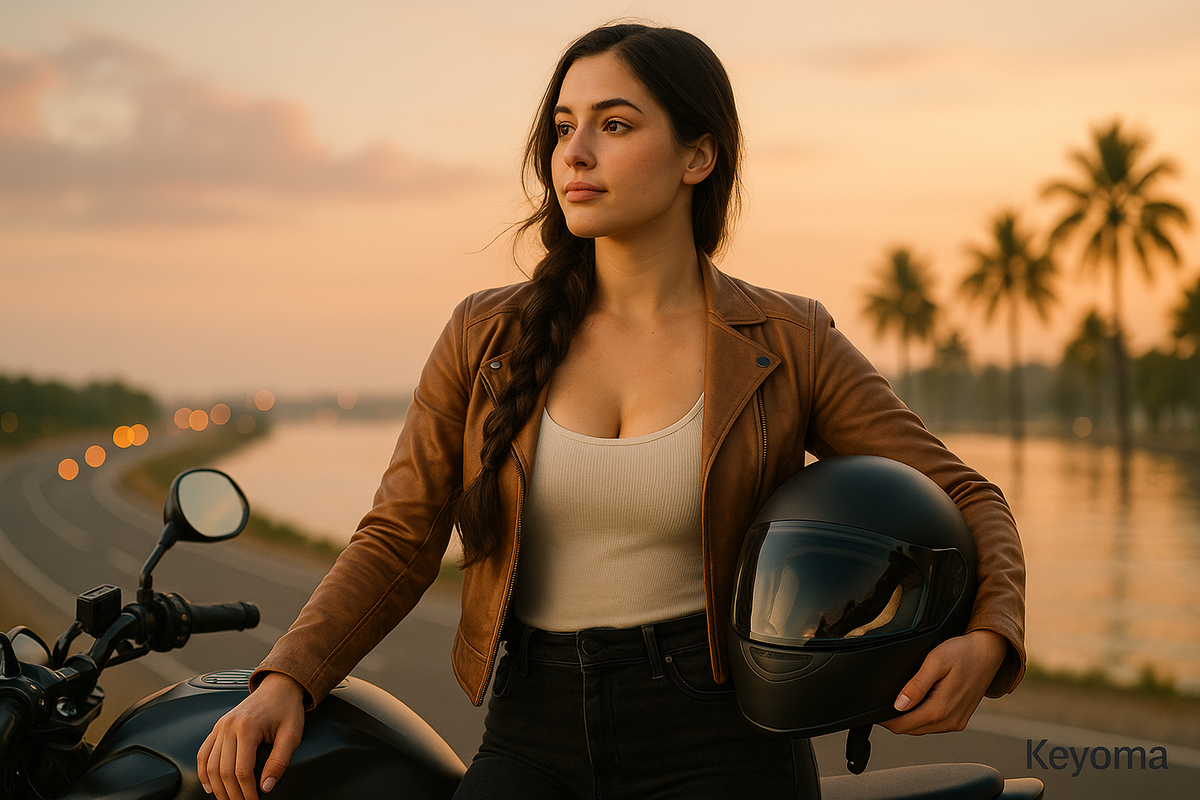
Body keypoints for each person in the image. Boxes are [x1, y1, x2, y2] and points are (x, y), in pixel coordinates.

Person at [198, 22, 1025, 800]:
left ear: (698, 155)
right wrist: (289, 677)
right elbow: (400, 535)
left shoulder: (787, 337)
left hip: (724, 736)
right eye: (563, 127)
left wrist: (989, 640)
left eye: (616, 125)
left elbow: (967, 496)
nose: (576, 153)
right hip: (533, 727)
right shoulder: (484, 334)